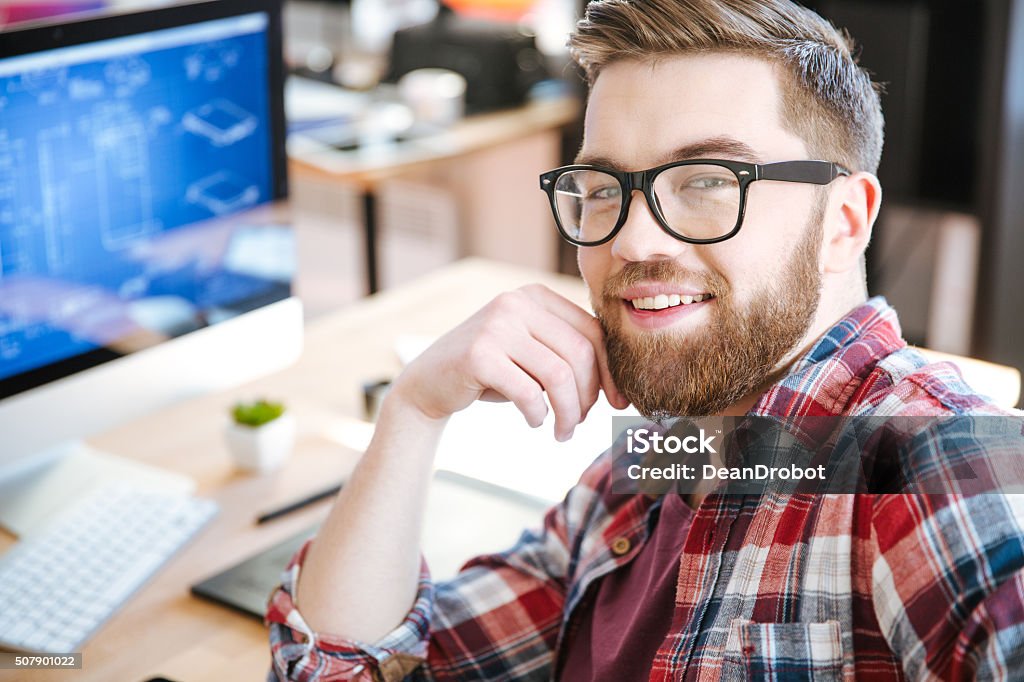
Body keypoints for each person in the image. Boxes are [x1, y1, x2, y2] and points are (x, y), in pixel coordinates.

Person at [267, 0, 1024, 679]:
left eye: (705, 182)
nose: (631, 239)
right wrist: (413, 411)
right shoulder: (661, 457)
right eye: (603, 190)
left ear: (845, 220)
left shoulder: (932, 455)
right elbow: (350, 671)